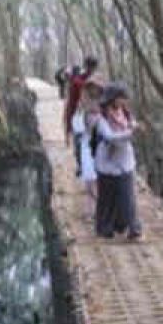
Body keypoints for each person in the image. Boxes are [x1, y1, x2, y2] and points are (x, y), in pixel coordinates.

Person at [93, 82, 142, 241]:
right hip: (107, 164)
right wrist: (129, 133)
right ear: (112, 99)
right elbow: (109, 137)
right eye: (121, 98)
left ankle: (133, 227)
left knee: (127, 196)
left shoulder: (126, 113)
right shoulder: (101, 119)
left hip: (124, 162)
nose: (123, 102)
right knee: (107, 199)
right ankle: (105, 228)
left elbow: (131, 124)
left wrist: (136, 127)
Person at [63, 55, 99, 176]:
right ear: (86, 66)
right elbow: (71, 103)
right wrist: (68, 124)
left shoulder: (98, 83)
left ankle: (91, 166)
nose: (91, 70)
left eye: (93, 67)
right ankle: (81, 166)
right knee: (79, 141)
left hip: (93, 117)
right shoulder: (77, 82)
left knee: (93, 142)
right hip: (79, 116)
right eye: (89, 66)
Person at [76, 79, 104, 212]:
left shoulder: (105, 105)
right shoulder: (83, 106)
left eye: (96, 89)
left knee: (100, 178)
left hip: (102, 145)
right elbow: (78, 127)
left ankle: (101, 207)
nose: (94, 91)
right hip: (88, 144)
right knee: (90, 178)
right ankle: (91, 208)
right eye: (92, 89)